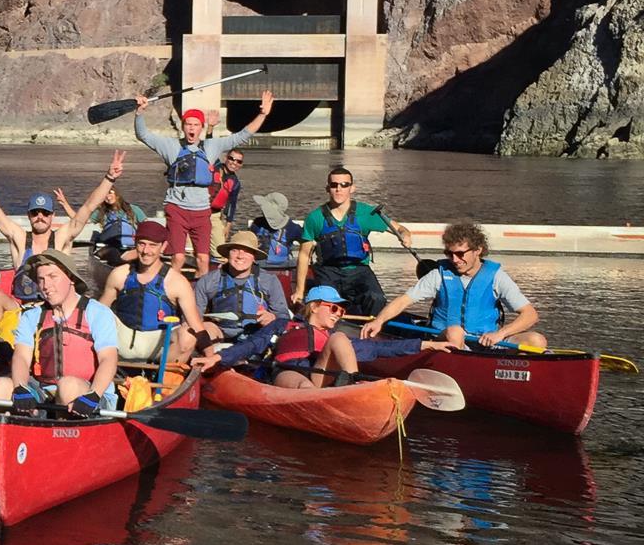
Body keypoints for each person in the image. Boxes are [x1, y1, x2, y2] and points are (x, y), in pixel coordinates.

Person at [0, 146, 125, 325]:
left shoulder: (62, 238)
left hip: (54, 310)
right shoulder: (19, 238)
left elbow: (88, 207)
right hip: (23, 310)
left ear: (52, 216)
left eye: (45, 213)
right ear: (29, 216)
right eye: (35, 213)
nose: (40, 217)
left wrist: (109, 178)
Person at [131, 88, 273, 276]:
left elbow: (242, 135)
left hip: (201, 211)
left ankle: (202, 297)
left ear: (201, 127)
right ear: (183, 127)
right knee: (179, 257)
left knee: (203, 259)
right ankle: (172, 293)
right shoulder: (170, 146)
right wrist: (140, 112)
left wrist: (262, 114)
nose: (191, 128)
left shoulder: (211, 146)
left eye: (196, 125)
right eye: (188, 124)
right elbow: (143, 135)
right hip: (177, 208)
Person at [360, 221, 547, 350]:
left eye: (460, 254)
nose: (455, 260)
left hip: (489, 341)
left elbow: (530, 315)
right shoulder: (439, 274)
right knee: (455, 331)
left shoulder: (496, 276)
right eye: (450, 254)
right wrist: (378, 321)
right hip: (445, 339)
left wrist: (500, 334)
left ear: (478, 250)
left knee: (536, 340)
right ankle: (468, 373)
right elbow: (403, 301)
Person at [0, 250, 120, 417]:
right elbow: (21, 357)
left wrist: (94, 394)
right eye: (41, 279)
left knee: (67, 386)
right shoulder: (31, 316)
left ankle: (63, 430)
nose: (46, 285)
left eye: (52, 276)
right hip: (45, 392)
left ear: (71, 278)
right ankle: (23, 428)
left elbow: (108, 359)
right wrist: (20, 387)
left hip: (91, 395)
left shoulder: (97, 312)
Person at [293, 167, 413, 316]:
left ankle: (369, 330)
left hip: (359, 271)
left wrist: (405, 236)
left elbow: (400, 228)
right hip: (328, 271)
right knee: (325, 305)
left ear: (352, 188)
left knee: (377, 298)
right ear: (327, 188)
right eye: (334, 185)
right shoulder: (315, 218)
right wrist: (299, 290)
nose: (339, 189)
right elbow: (304, 255)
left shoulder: (366, 213)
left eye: (344, 185)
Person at [204, 285, 360, 390]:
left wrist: (381, 323)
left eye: (341, 311)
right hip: (287, 371)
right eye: (334, 308)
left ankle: (355, 384)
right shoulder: (283, 324)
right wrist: (219, 357)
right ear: (314, 307)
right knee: (305, 386)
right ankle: (320, 402)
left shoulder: (333, 338)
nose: (337, 314)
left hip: (318, 374)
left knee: (340, 337)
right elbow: (252, 344)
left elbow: (372, 347)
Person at [100, 220, 205, 365]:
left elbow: (196, 325)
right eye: (142, 244)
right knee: (100, 318)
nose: (146, 251)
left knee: (188, 334)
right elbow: (98, 311)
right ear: (135, 244)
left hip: (160, 345)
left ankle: (169, 379)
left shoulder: (177, 282)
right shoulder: (119, 274)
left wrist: (210, 356)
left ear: (163, 247)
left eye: (153, 245)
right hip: (124, 340)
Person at [190, 229, 292, 350]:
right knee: (199, 330)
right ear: (228, 254)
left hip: (257, 334)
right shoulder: (208, 280)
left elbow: (284, 316)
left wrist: (272, 318)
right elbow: (194, 316)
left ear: (254, 256)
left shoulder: (269, 281)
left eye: (247, 251)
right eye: (235, 250)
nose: (240, 256)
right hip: (219, 332)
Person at [250, 191, 303, 273]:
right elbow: (248, 243)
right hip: (258, 267)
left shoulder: (293, 228)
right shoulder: (257, 223)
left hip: (284, 267)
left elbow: (306, 244)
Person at [209, 150, 246, 251]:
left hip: (214, 215)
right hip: (198, 211)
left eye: (239, 161)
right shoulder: (213, 168)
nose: (234, 163)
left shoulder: (235, 183)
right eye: (231, 159)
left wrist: (228, 225)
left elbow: (232, 204)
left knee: (220, 250)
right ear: (226, 158)